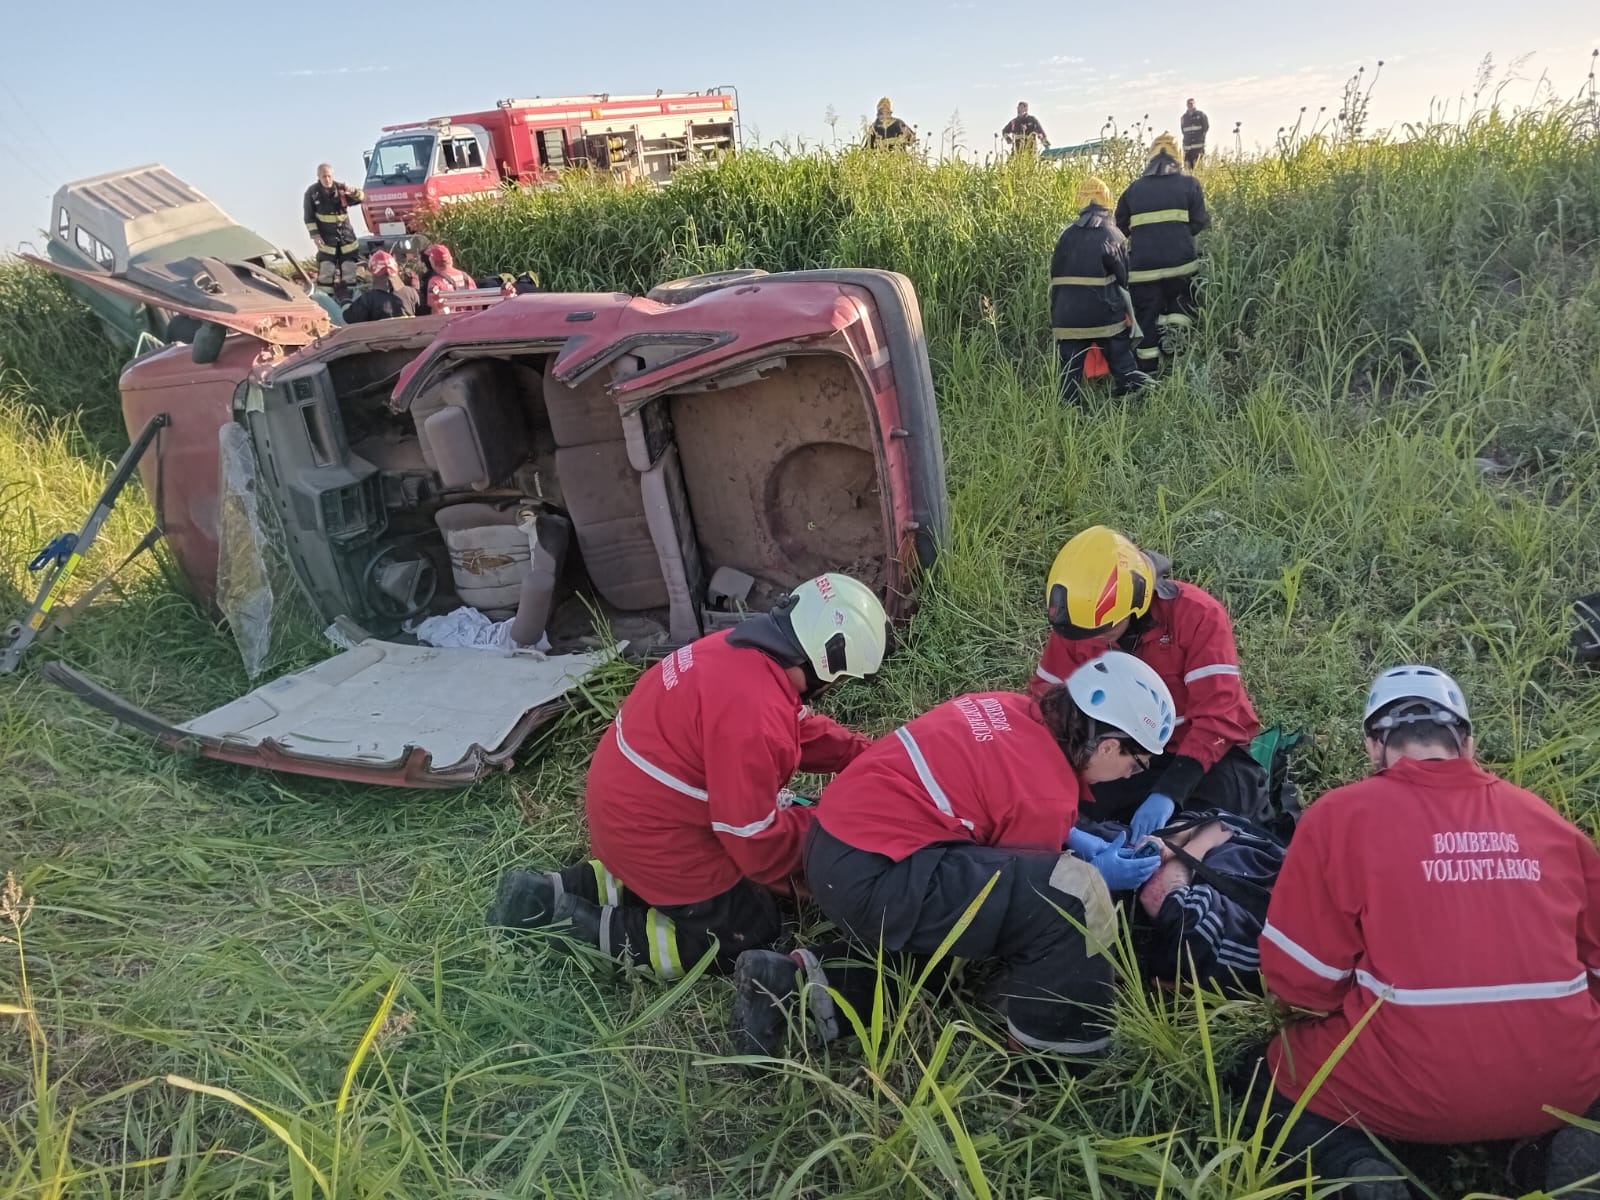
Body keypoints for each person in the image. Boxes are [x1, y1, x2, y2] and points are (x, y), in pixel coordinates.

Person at [729, 651, 1176, 1068]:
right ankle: (1057, 1058)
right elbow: (1030, 881)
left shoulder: (1007, 707)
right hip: (875, 872)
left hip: (834, 843)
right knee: (1075, 897)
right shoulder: (1046, 793)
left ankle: (792, 988)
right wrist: (1098, 872)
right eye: (1136, 764)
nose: (1129, 775)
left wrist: (1073, 835)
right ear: (1109, 747)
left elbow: (994, 801)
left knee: (960, 912)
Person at [1252, 665, 1600, 1200]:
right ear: (1467, 741)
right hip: (1564, 1079)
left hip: (1405, 1081)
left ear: (1373, 745)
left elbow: (1302, 984)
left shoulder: (1340, 816)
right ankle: (1544, 1158)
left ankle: (1357, 1166)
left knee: (1271, 1073)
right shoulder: (1549, 822)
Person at [488, 573, 889, 980]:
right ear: (828, 663)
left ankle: (549, 891)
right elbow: (754, 841)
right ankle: (571, 926)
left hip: (629, 811)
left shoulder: (743, 654)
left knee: (702, 882)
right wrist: (826, 835)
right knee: (747, 931)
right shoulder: (754, 713)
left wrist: (872, 757)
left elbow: (797, 728)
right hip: (656, 836)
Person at [1030, 525, 1267, 832]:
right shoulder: (1081, 624)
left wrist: (1171, 791)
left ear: (1136, 601)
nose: (1095, 640)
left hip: (1196, 752)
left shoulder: (1197, 616)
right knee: (1069, 810)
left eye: (1105, 630)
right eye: (1087, 633)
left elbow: (1219, 718)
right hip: (1121, 756)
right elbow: (1046, 703)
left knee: (1233, 801)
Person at [1050, 177, 1152, 405]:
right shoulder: (1113, 234)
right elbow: (1124, 278)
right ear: (1107, 201)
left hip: (1066, 318)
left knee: (1069, 370)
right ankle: (1134, 397)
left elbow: (1054, 273)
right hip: (1104, 316)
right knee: (1120, 359)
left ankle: (1069, 411)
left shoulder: (1065, 235)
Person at [1115, 133, 1209, 372]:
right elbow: (1199, 222)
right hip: (1181, 267)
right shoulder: (1190, 184)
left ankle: (1147, 371)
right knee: (1180, 310)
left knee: (1147, 317)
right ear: (1177, 157)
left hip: (1143, 271)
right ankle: (1176, 360)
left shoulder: (1133, 189)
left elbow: (1120, 227)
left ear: (1150, 158)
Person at [303, 163, 365, 292]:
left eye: (329, 176)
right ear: (318, 176)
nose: (327, 179)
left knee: (349, 269)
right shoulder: (312, 193)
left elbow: (361, 198)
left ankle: (350, 298)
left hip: (346, 238)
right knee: (326, 270)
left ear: (333, 176)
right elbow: (309, 217)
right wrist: (315, 235)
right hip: (326, 239)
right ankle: (327, 300)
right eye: (324, 176)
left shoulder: (341, 189)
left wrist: (354, 192)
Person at [342, 251, 419, 323]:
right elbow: (423, 315)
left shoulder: (368, 300)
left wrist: (344, 299)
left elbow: (349, 318)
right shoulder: (411, 293)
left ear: (373, 272)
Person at [419, 244, 478, 315]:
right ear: (450, 259)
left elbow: (436, 311)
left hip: (450, 323)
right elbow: (477, 305)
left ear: (432, 262)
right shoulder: (467, 278)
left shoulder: (435, 282)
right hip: (469, 321)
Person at [1180, 98, 1209, 168]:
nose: (1190, 105)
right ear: (1186, 105)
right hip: (1187, 149)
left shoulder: (1201, 115)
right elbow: (1183, 131)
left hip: (1198, 148)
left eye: (1191, 104)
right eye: (1189, 104)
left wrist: (1202, 139)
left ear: (1194, 104)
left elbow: (1206, 128)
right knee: (1188, 170)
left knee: (1198, 169)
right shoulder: (1183, 117)